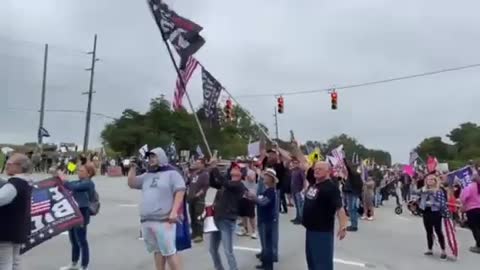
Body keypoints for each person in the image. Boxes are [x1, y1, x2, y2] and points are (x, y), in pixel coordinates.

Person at [127, 147, 186, 270]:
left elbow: (180, 191)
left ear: (161, 157)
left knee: (169, 252)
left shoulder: (172, 173)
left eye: (154, 156)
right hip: (147, 220)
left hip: (164, 220)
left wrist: (174, 211)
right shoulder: (147, 175)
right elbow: (132, 183)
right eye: (149, 157)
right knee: (157, 251)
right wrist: (132, 168)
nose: (151, 159)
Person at [302, 161, 348, 270]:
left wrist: (343, 226)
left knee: (322, 264)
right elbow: (302, 163)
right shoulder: (315, 183)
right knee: (312, 262)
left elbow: (340, 208)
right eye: (316, 168)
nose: (316, 170)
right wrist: (295, 147)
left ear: (328, 171)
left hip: (322, 232)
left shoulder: (331, 188)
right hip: (310, 230)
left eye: (320, 169)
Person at [208, 161, 247, 270]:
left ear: (241, 173)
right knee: (212, 249)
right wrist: (212, 171)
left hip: (227, 220)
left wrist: (215, 168)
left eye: (237, 168)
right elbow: (213, 184)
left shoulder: (239, 185)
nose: (234, 169)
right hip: (218, 217)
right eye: (233, 167)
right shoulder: (228, 183)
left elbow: (224, 182)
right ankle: (219, 267)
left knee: (227, 251)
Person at [60, 163, 97, 270]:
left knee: (82, 240)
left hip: (82, 213)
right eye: (78, 170)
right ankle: (73, 262)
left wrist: (64, 180)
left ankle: (84, 265)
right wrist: (59, 177)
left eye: (81, 171)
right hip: (72, 213)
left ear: (89, 173)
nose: (78, 172)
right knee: (73, 240)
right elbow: (66, 185)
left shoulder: (89, 184)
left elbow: (72, 187)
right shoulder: (78, 181)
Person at [0, 153, 33, 270]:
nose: (6, 166)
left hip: (6, 230)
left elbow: (1, 199)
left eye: (9, 164)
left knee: (4, 264)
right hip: (18, 228)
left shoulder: (15, 183)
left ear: (19, 167)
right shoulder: (26, 181)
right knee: (14, 262)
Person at [247, 168, 278, 270]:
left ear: (271, 179)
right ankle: (265, 263)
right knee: (264, 244)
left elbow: (264, 202)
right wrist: (251, 197)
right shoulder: (267, 190)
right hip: (263, 219)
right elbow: (260, 200)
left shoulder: (271, 191)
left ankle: (268, 266)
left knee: (267, 244)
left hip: (267, 220)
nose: (264, 177)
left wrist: (253, 197)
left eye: (267, 176)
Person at [418, 173, 447, 259]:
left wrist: (433, 203)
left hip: (435, 212)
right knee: (428, 231)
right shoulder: (424, 190)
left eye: (431, 179)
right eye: (428, 179)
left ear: (435, 181)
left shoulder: (439, 190)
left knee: (438, 231)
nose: (429, 181)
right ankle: (430, 249)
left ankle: (443, 250)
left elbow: (442, 203)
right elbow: (415, 193)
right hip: (426, 212)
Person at [186, 158, 210, 243]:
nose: (196, 164)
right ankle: (194, 233)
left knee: (198, 216)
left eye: (198, 163)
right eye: (196, 162)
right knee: (192, 216)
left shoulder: (205, 174)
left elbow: (205, 187)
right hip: (191, 198)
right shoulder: (194, 173)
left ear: (203, 164)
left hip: (199, 199)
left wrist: (199, 194)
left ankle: (199, 235)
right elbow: (188, 183)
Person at [460, 172, 480, 253]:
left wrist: (463, 206)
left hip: (472, 209)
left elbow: (463, 198)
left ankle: (479, 245)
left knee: (475, 228)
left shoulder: (470, 187)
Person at [238, 169, 258, 239]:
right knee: (243, 215)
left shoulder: (252, 171)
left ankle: (254, 231)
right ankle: (245, 229)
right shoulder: (240, 171)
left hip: (250, 195)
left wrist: (245, 174)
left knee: (251, 215)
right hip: (242, 195)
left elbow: (252, 179)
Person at [290, 158, 306, 225]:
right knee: (296, 205)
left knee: (300, 206)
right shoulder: (293, 171)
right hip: (294, 190)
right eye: (294, 163)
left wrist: (303, 189)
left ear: (299, 163)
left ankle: (301, 219)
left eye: (296, 163)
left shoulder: (300, 171)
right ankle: (297, 217)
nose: (294, 164)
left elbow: (304, 180)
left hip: (299, 190)